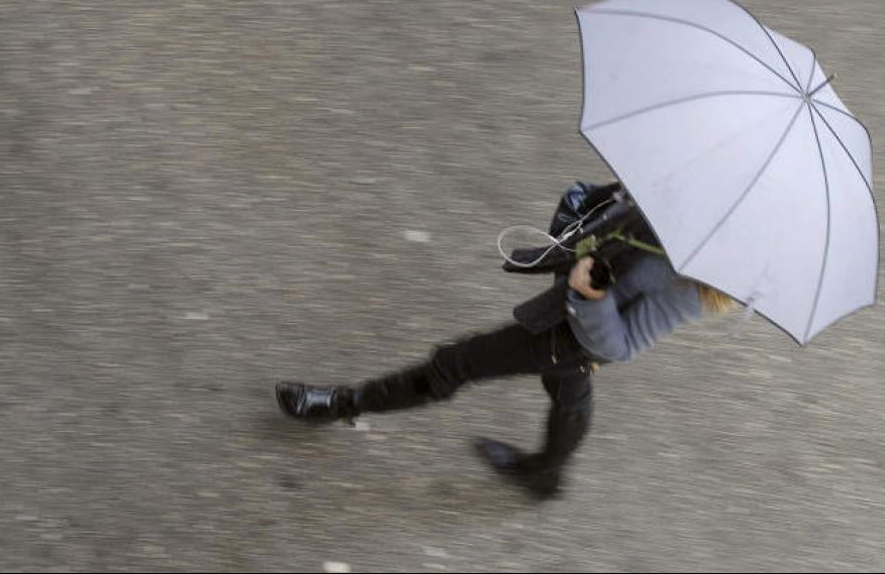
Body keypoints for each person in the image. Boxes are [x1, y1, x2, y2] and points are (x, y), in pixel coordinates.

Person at [274, 182, 735, 500]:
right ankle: (546, 475)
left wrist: (591, 294)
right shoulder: (668, 197)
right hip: (565, 309)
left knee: (454, 364)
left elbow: (621, 345)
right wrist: (600, 205)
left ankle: (342, 404)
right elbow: (587, 221)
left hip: (569, 335)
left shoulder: (691, 284)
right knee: (567, 386)